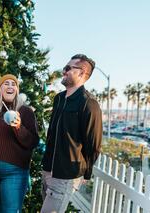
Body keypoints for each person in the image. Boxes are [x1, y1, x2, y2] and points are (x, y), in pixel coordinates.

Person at [41, 54, 103, 213]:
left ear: (82, 73)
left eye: (68, 68)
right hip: (48, 170)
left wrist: (86, 174)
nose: (64, 71)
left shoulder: (89, 104)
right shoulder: (59, 98)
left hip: (66, 175)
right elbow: (52, 134)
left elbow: (94, 144)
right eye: (64, 68)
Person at [0, 74, 39, 213]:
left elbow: (33, 141)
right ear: (0, 89)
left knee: (10, 211)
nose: (10, 86)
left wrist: (18, 127)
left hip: (14, 170)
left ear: (17, 90)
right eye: (6, 83)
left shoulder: (25, 112)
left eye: (14, 84)